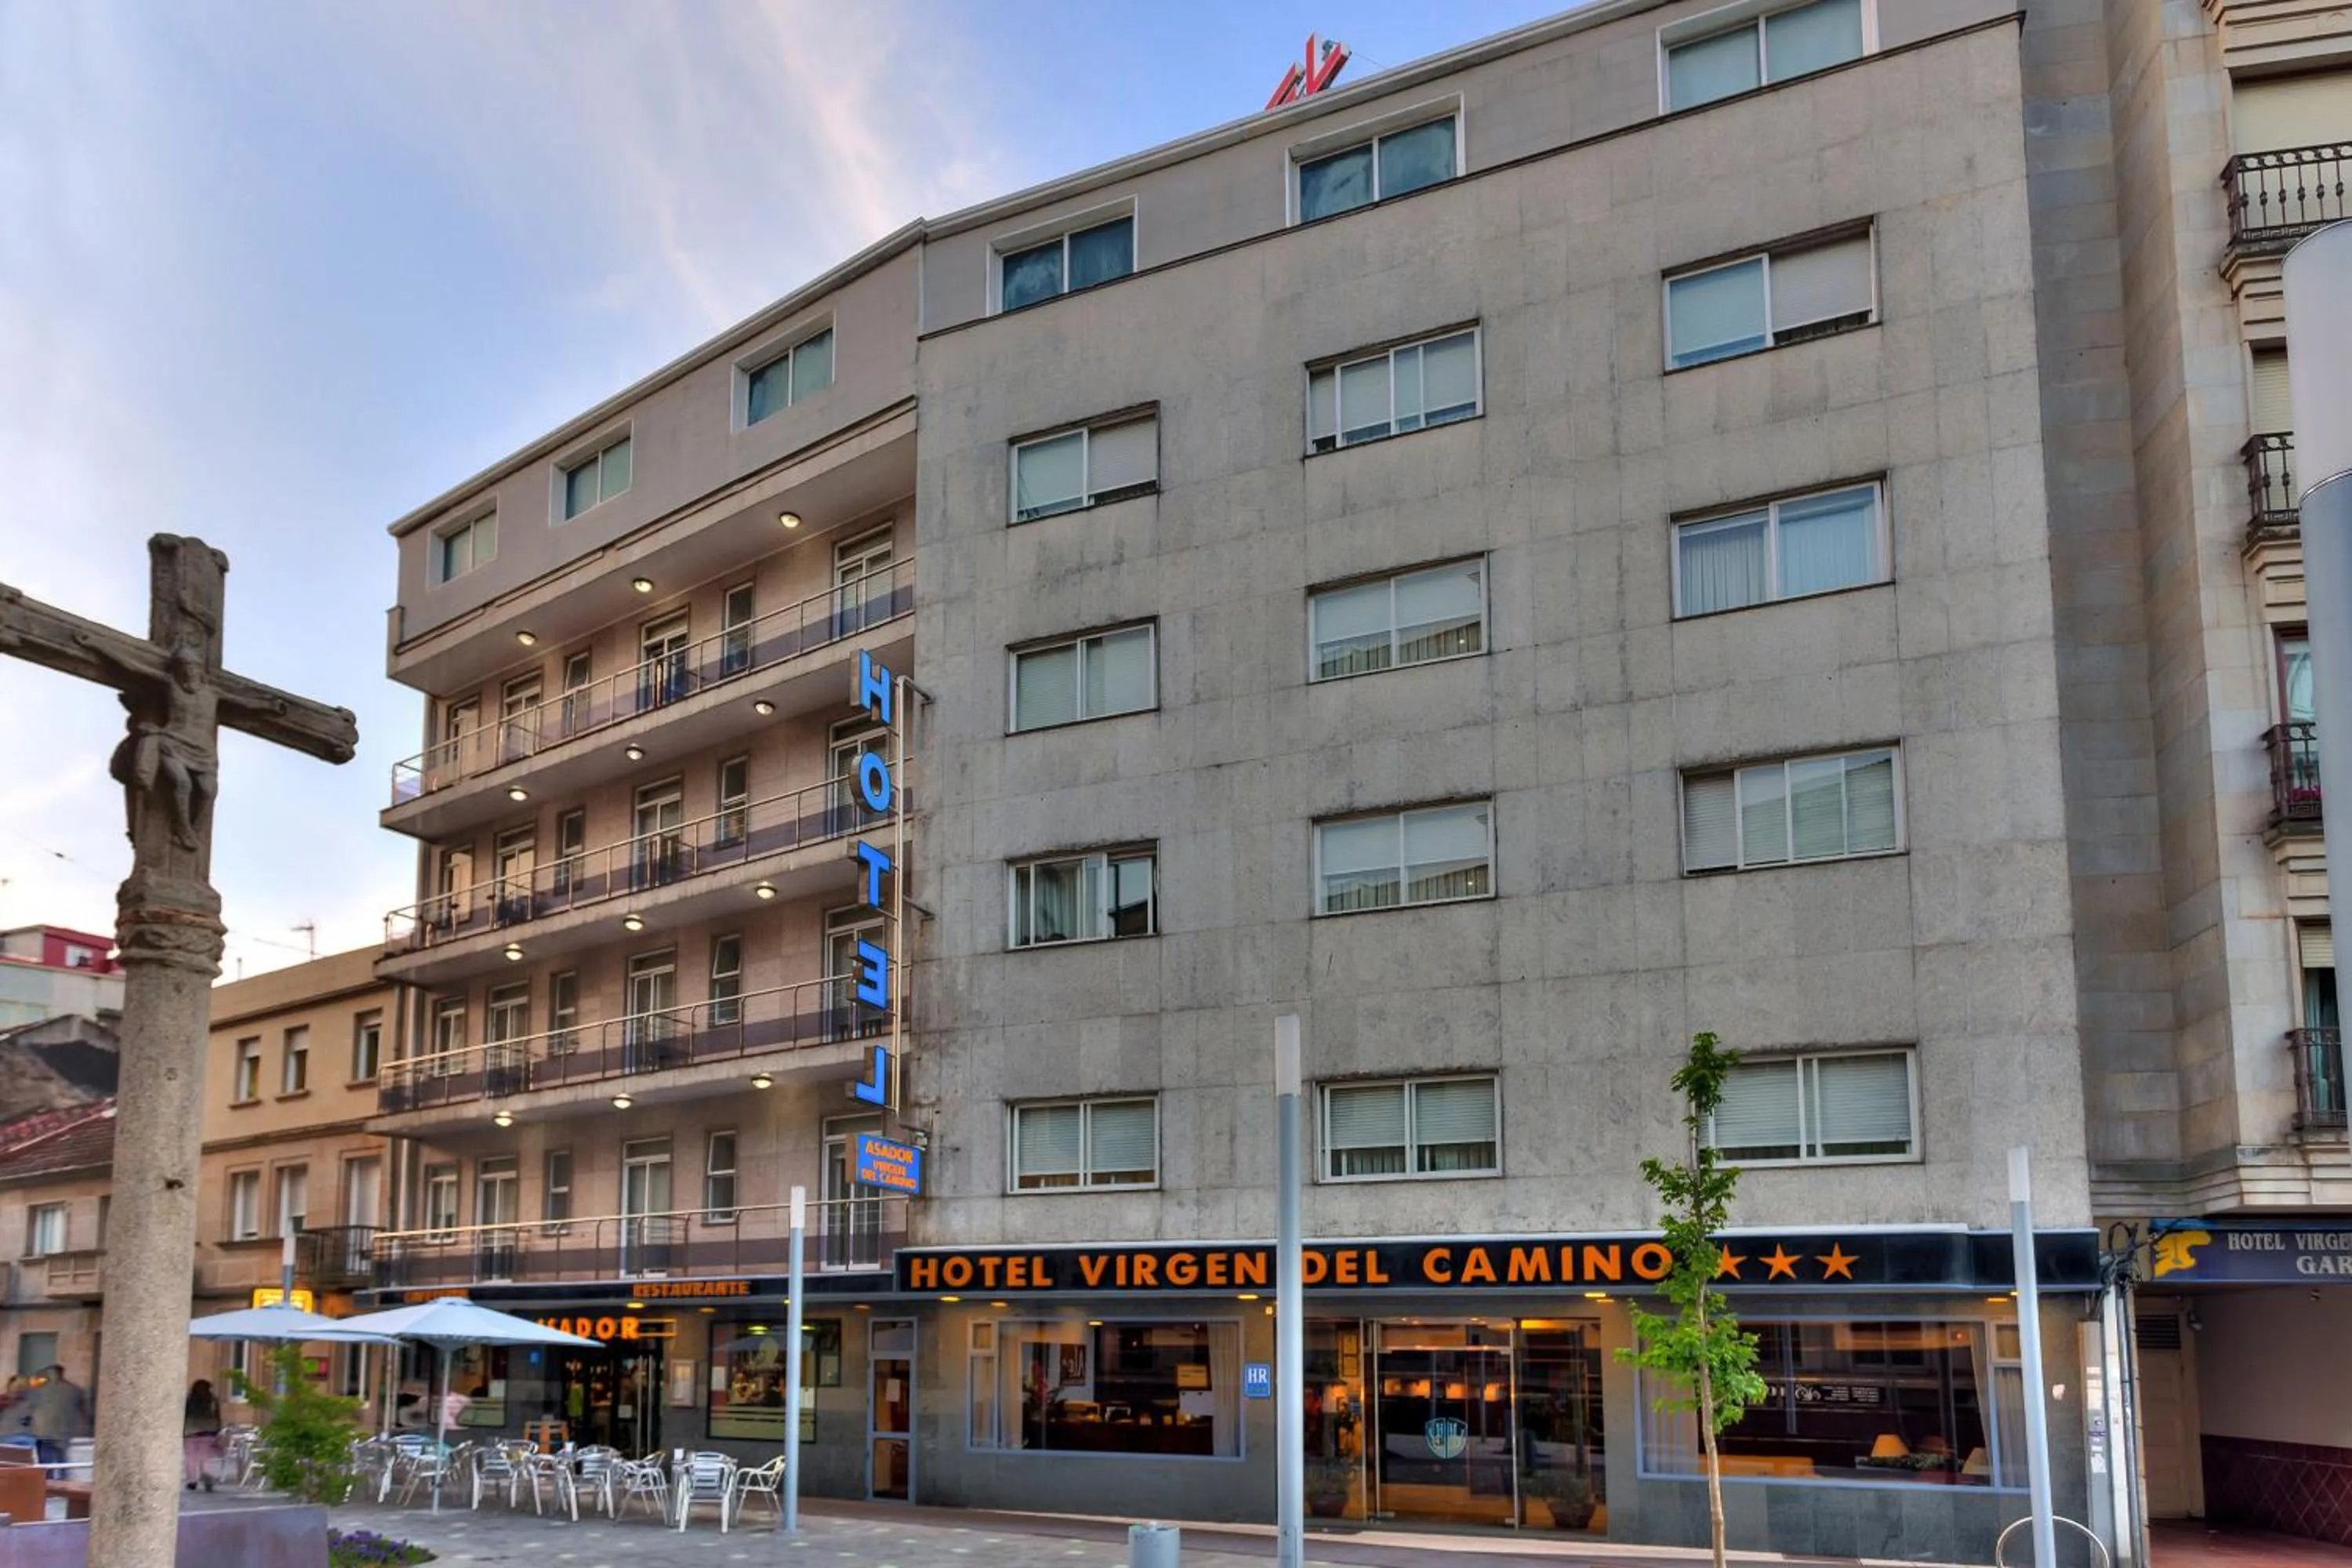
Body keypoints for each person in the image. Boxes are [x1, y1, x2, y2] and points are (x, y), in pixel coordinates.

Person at [27, 1364, 89, 1467]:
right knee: (62, 1462)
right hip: (64, 1432)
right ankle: (62, 1480)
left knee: (45, 1465)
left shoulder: (39, 1390)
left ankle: (48, 1480)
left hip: (44, 1432)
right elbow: (82, 1410)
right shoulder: (75, 1390)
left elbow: (30, 1406)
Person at [183, 1379, 222, 1491]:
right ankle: (207, 1476)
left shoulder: (189, 1400)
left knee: (190, 1457)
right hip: (208, 1432)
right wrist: (218, 1430)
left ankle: (192, 1481)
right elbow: (218, 1416)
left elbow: (184, 1415)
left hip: (190, 1432)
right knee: (205, 1457)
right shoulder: (213, 1400)